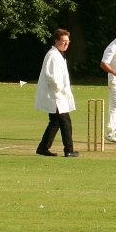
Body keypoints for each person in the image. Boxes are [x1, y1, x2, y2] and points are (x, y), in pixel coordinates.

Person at [34, 29, 79, 158]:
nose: (66, 44)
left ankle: (43, 147)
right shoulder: (53, 55)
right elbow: (52, 77)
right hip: (55, 95)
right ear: (56, 41)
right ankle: (69, 150)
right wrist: (60, 89)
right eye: (63, 41)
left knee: (55, 122)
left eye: (67, 41)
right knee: (65, 121)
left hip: (58, 95)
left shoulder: (59, 55)